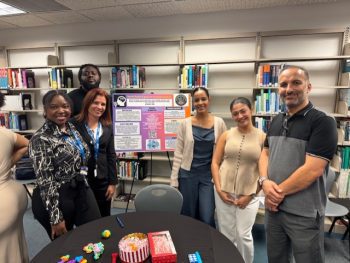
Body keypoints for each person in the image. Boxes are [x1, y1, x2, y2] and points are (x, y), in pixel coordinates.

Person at [258, 65, 338, 263]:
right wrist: (264, 182)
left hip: (304, 214)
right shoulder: (276, 120)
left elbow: (313, 169)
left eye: (296, 82)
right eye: (283, 84)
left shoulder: (323, 122)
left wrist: (274, 194)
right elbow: (264, 153)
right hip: (274, 210)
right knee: (276, 258)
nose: (289, 89)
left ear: (308, 87)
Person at [29, 90, 101, 240]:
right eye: (54, 107)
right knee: (65, 246)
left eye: (65, 106)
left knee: (94, 233)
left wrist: (82, 176)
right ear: (45, 110)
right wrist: (56, 218)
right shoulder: (40, 138)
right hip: (56, 196)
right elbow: (45, 181)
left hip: (80, 187)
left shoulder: (71, 128)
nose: (61, 111)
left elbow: (83, 155)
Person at [211, 97, 265, 263]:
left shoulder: (263, 138)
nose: (240, 116)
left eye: (243, 111)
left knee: (243, 234)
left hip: (250, 193)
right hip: (223, 190)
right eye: (235, 113)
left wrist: (250, 195)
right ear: (232, 116)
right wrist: (219, 189)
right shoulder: (226, 135)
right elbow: (215, 162)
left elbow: (265, 170)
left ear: (251, 110)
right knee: (226, 232)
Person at [170, 87, 226, 227]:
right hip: (187, 175)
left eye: (203, 99)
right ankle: (189, 244)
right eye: (197, 100)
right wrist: (174, 181)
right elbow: (178, 154)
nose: (200, 102)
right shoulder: (185, 123)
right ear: (193, 103)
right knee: (188, 215)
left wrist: (222, 177)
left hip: (208, 176)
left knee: (207, 216)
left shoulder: (219, 123)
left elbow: (223, 153)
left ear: (209, 100)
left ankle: (207, 246)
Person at [70, 88, 117, 217]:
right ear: (88, 103)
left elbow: (111, 155)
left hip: (102, 179)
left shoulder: (107, 126)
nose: (99, 107)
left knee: (104, 215)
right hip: (81, 179)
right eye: (96, 103)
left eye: (103, 104)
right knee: (85, 215)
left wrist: (112, 182)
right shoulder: (73, 124)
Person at [0, 93, 29, 263]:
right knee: (13, 247)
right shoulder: (5, 133)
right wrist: (8, 163)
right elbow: (27, 144)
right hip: (12, 198)